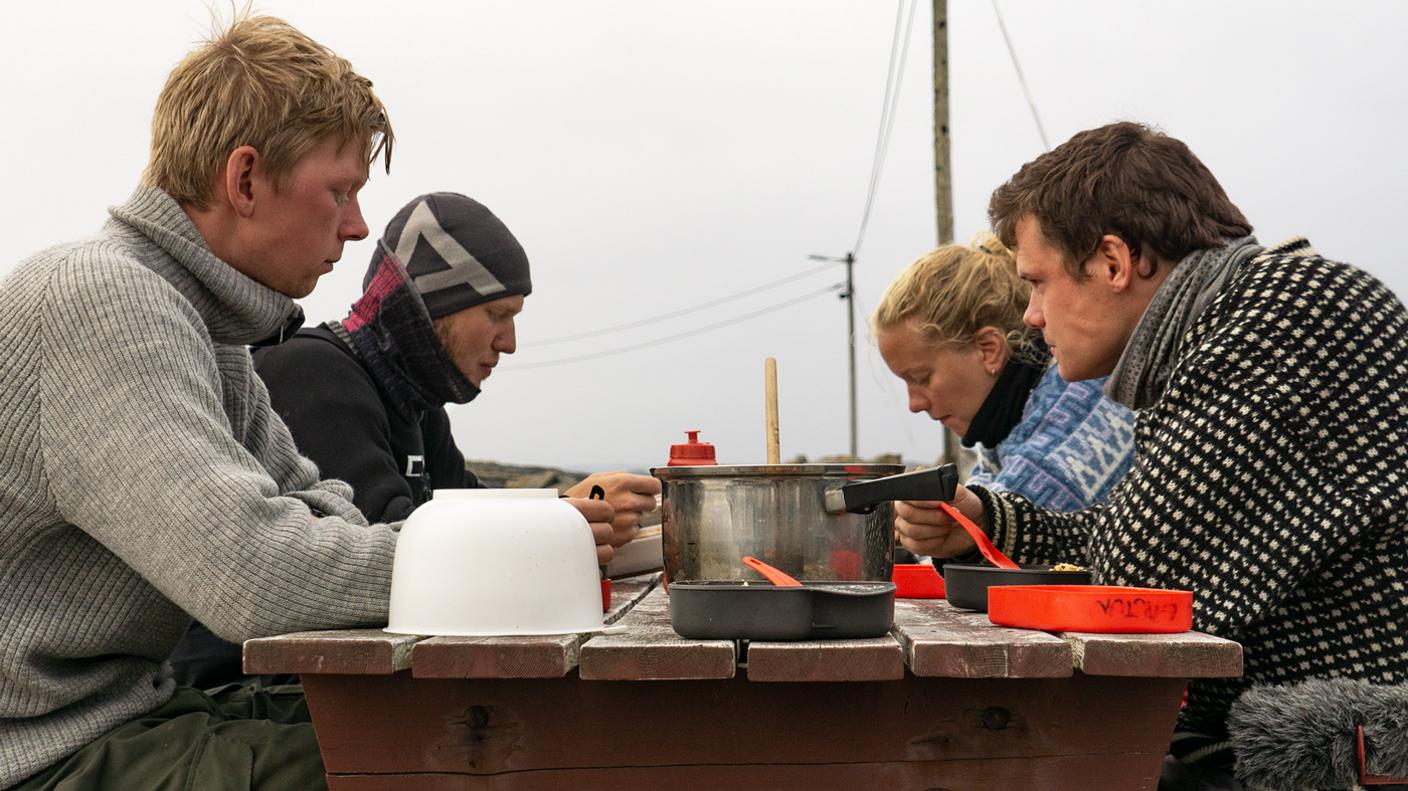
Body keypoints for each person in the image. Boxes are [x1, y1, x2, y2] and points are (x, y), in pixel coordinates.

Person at [0, 16, 615, 789]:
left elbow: (320, 508)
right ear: (247, 179)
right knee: (460, 762)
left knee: (486, 731)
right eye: (341, 192)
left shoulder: (211, 329)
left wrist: (522, 538)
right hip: (40, 752)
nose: (358, 228)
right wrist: (523, 556)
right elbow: (255, 576)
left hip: (132, 712)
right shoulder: (105, 299)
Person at [893, 121, 1408, 787]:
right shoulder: (1233, 321)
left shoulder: (1281, 319)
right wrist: (985, 520)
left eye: (1040, 283)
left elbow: (1137, 583)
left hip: (1347, 753)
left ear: (1114, 261)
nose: (1032, 317)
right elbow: (1136, 535)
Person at [170, 192, 662, 689]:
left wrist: (575, 516)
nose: (509, 341)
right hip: (247, 692)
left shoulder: (414, 402)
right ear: (431, 305)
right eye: (496, 314)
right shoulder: (313, 374)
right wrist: (559, 520)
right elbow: (394, 562)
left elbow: (471, 512)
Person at [871, 233, 1134, 513]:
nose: (914, 404)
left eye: (922, 378)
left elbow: (994, 533)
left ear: (989, 349)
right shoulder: (1005, 431)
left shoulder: (1083, 407)